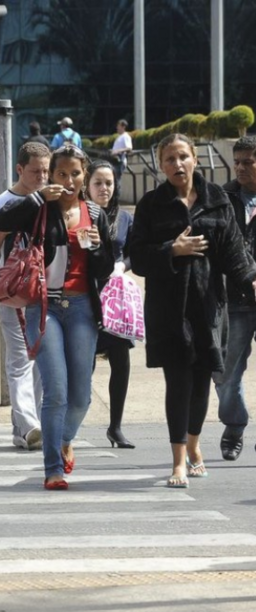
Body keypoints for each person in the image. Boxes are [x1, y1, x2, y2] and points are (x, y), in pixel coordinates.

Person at [128, 133, 256, 488]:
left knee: (202, 382)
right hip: (169, 310)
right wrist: (172, 249)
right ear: (161, 164)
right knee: (178, 382)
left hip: (209, 307)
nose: (177, 164)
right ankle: (178, 461)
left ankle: (195, 446)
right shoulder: (152, 204)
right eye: (169, 159)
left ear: (195, 159)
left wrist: (252, 281)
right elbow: (137, 257)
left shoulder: (217, 200)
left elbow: (234, 253)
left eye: (182, 156)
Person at [0, 144, 114, 491]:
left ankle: (62, 439)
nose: (70, 180)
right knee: (56, 391)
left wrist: (96, 248)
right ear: (51, 175)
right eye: (62, 173)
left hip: (82, 308)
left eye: (76, 173)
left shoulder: (95, 213)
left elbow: (104, 270)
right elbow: (2, 221)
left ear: (84, 175)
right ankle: (53, 468)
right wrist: (36, 198)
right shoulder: (38, 210)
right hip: (44, 308)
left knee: (81, 397)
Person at [0, 141, 51, 451]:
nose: (42, 178)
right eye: (35, 171)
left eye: (46, 171)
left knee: (41, 361)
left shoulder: (51, 199)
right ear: (19, 169)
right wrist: (6, 227)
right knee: (20, 361)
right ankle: (31, 424)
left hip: (47, 292)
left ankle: (24, 429)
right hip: (13, 292)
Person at [87, 159, 136, 449]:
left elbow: (135, 254)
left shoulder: (125, 218)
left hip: (115, 296)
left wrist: (122, 265)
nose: (104, 188)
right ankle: (73, 421)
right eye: (98, 183)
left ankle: (115, 427)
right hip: (85, 295)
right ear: (87, 185)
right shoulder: (80, 213)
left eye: (109, 183)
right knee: (84, 363)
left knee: (121, 360)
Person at [215, 136, 256, 461]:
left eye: (248, 161)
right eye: (237, 161)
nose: (240, 167)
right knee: (227, 374)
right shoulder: (223, 198)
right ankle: (234, 423)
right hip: (236, 300)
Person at [110, 119, 133, 192]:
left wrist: (117, 151)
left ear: (123, 127)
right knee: (114, 180)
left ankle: (116, 200)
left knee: (117, 181)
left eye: (118, 126)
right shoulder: (119, 136)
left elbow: (129, 148)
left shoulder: (125, 136)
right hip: (115, 161)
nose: (117, 127)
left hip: (119, 161)